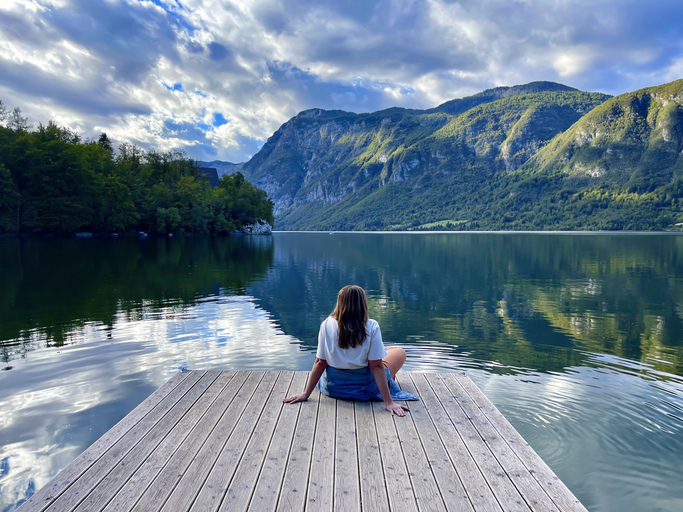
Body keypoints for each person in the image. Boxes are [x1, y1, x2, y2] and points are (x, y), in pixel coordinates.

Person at [282, 285, 417, 416]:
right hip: (364, 391)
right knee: (398, 352)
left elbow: (320, 362)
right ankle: (388, 381)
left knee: (383, 355)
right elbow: (375, 366)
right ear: (362, 303)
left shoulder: (326, 324)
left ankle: (386, 375)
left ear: (340, 303)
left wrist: (306, 394)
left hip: (333, 389)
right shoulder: (371, 326)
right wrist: (389, 403)